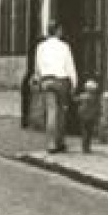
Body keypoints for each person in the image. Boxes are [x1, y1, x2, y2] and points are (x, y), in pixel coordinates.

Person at [31, 22, 77, 153]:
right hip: (61, 81)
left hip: (47, 80)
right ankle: (60, 142)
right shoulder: (64, 46)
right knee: (62, 112)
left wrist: (38, 79)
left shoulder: (41, 47)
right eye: (60, 29)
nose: (62, 32)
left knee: (51, 112)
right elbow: (70, 66)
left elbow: (37, 67)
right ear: (57, 31)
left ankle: (51, 144)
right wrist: (74, 82)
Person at [74, 79, 102, 154]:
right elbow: (98, 107)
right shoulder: (95, 98)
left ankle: (85, 147)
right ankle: (87, 147)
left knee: (84, 132)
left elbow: (76, 100)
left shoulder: (83, 96)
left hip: (83, 116)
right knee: (89, 132)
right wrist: (98, 114)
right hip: (91, 117)